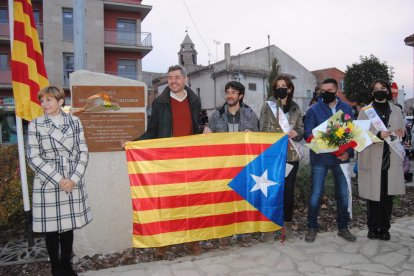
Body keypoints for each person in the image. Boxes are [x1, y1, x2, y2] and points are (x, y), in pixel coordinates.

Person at [130, 65, 205, 257]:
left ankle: (193, 240)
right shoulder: (160, 103)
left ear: (185, 79)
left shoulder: (195, 101)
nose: (173, 81)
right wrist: (134, 143)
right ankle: (163, 242)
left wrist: (206, 129)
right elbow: (153, 131)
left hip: (190, 160)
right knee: (167, 202)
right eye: (170, 78)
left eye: (177, 77)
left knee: (190, 201)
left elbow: (200, 125)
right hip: (167, 160)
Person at [27, 86, 92, 276]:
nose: (44, 104)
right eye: (42, 100)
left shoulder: (75, 122)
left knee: (67, 226)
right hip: (48, 181)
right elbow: (33, 157)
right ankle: (55, 267)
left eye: (49, 100)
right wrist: (59, 179)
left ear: (60, 101)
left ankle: (66, 265)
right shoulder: (35, 124)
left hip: (72, 178)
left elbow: (83, 152)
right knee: (51, 229)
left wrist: (73, 179)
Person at [304, 78, 356, 243]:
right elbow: (308, 134)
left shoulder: (346, 108)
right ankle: (311, 227)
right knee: (316, 194)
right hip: (321, 158)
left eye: (329, 90)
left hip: (342, 159)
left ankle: (343, 227)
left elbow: (352, 133)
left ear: (336, 91)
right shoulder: (313, 110)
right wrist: (328, 144)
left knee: (342, 194)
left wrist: (347, 152)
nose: (325, 93)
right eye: (322, 90)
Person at [357, 80, 406, 240]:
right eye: (376, 89)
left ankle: (385, 228)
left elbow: (402, 130)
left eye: (382, 88)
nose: (379, 91)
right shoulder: (365, 111)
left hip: (391, 159)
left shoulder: (396, 110)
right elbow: (358, 137)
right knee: (373, 197)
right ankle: (372, 228)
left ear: (387, 91)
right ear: (372, 92)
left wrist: (402, 133)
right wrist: (376, 135)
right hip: (372, 159)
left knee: (387, 197)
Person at [259, 75, 303, 239]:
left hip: (291, 156)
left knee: (288, 192)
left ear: (289, 88)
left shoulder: (296, 108)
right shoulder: (268, 106)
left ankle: (287, 224)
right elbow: (262, 128)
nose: (281, 89)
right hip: (273, 156)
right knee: (271, 190)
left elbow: (301, 129)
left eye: (284, 86)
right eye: (277, 86)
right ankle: (270, 227)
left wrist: (296, 133)